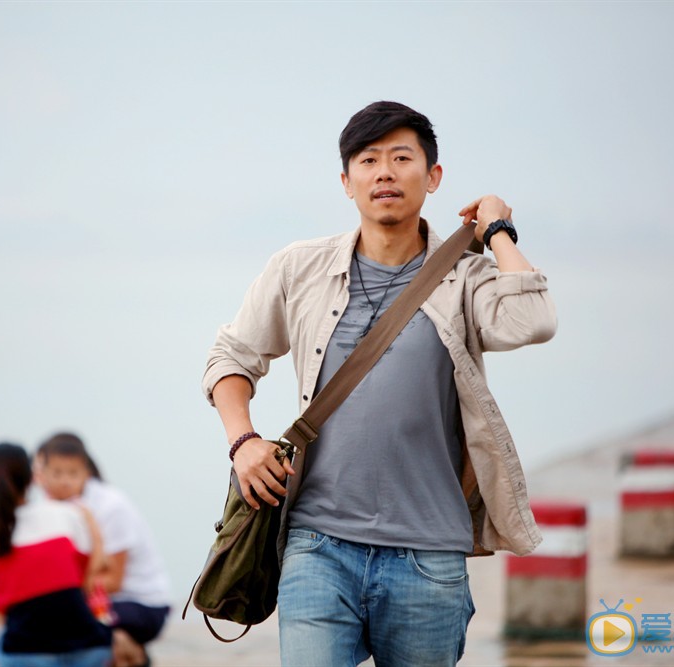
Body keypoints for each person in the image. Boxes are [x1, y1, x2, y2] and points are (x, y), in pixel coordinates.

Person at [203, 101, 557, 666]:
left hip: (428, 557)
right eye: (368, 160)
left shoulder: (466, 278)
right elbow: (231, 356)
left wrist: (496, 230)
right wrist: (244, 441)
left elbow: (534, 320)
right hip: (317, 547)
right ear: (347, 182)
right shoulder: (300, 268)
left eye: (401, 157)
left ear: (432, 176)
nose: (384, 172)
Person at [0, 443, 112, 667]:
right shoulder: (67, 516)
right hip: (90, 649)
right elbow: (87, 573)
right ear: (32, 479)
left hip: (27, 656)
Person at [35, 433, 171, 667]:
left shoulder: (109, 505)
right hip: (102, 600)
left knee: (68, 621)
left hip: (142, 605)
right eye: (52, 472)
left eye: (68, 472)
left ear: (84, 471)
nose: (41, 479)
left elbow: (113, 581)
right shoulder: (54, 509)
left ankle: (135, 657)